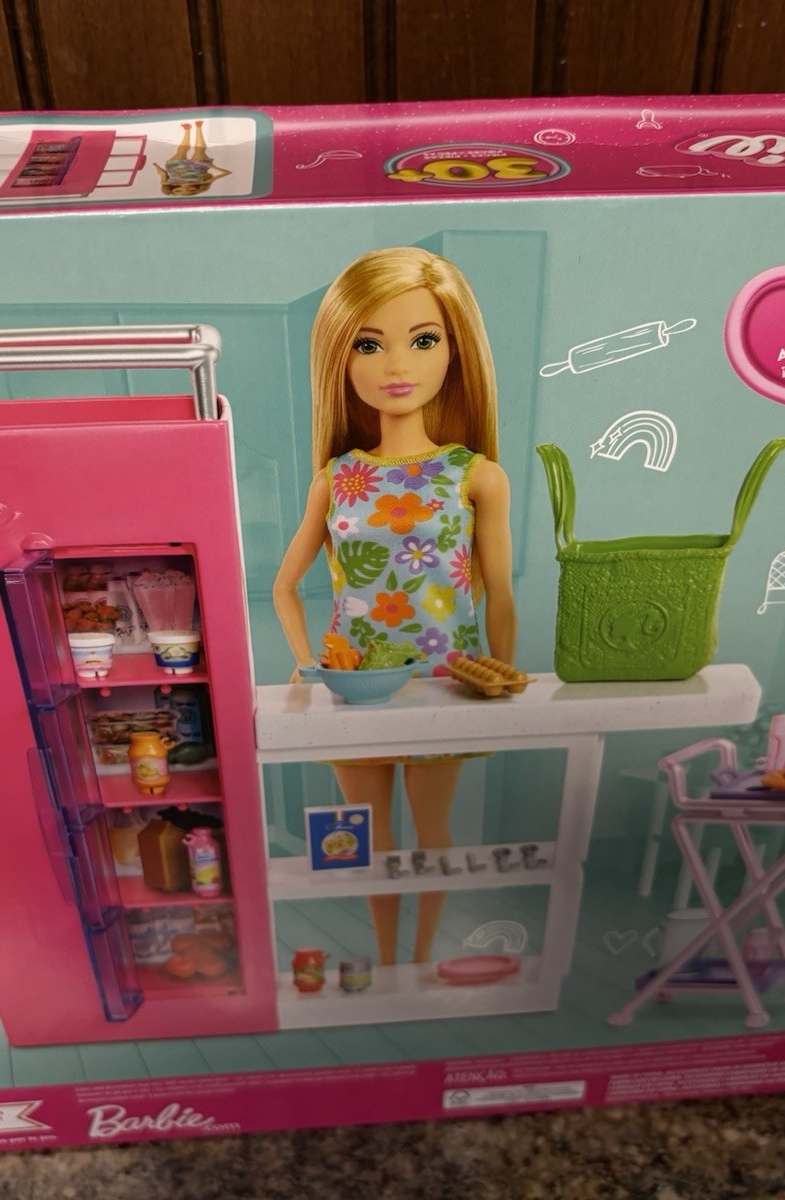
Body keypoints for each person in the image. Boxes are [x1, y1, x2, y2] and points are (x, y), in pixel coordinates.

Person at [273, 247, 517, 966]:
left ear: (455, 351)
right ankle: (386, 963)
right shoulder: (337, 477)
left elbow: (500, 591)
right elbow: (287, 585)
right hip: (353, 683)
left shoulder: (475, 476)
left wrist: (503, 673)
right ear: (340, 361)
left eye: (424, 339)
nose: (396, 365)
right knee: (370, 836)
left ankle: (422, 960)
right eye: (369, 345)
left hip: (445, 678)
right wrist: (306, 665)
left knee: (433, 832)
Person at [152, 121, 231, 197]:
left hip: (176, 167)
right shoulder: (202, 183)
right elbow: (227, 172)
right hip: (197, 168)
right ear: (196, 190)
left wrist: (156, 166)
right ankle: (199, 127)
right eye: (190, 190)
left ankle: (187, 130)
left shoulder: (166, 184)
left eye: (178, 190)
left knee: (182, 150)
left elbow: (163, 174)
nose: (184, 188)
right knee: (199, 149)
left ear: (172, 189)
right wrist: (213, 167)